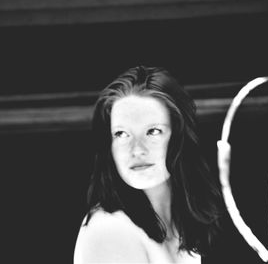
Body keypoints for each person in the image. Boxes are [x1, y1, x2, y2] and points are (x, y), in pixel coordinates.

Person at [74, 66, 222, 263]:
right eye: (121, 134)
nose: (137, 149)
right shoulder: (110, 230)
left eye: (153, 131)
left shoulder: (180, 226)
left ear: (179, 136)